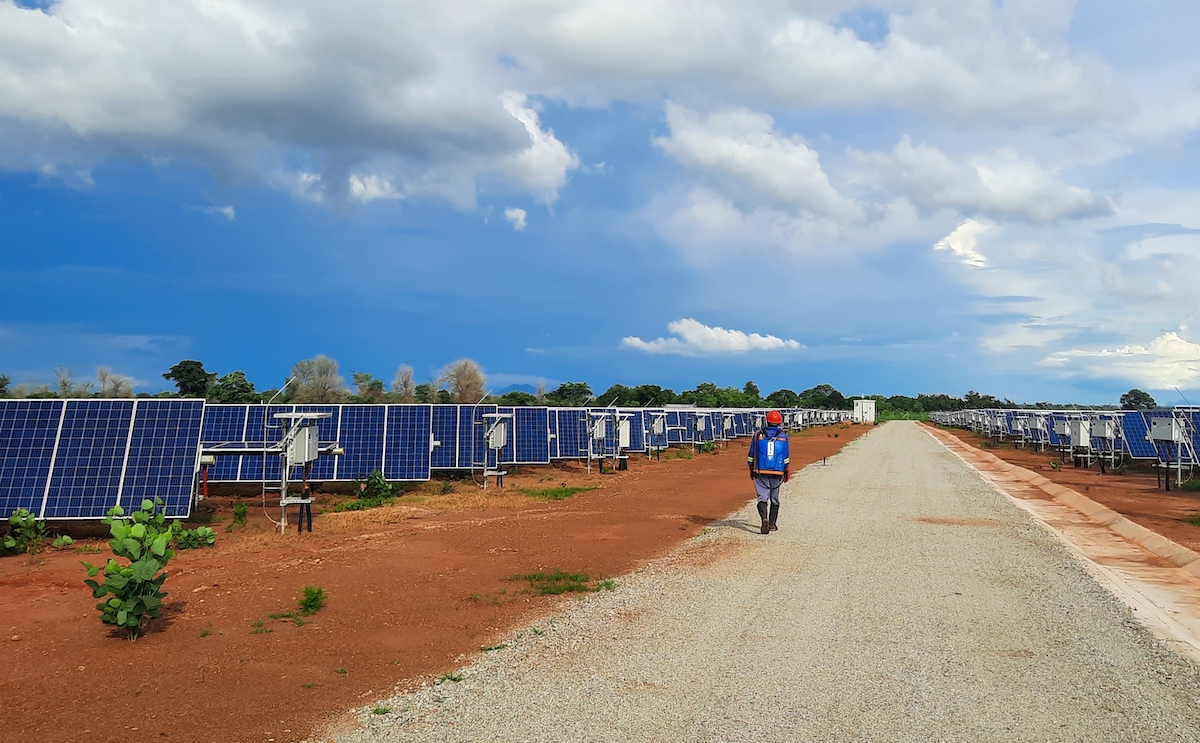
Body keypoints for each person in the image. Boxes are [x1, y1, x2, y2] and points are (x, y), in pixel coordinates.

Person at [747, 409, 790, 534]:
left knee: (762, 497)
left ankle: (764, 519)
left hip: (760, 471)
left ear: (767, 421)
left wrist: (751, 468)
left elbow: (751, 455)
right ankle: (772, 524)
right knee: (775, 498)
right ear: (780, 422)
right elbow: (786, 457)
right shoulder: (783, 436)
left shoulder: (757, 435)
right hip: (777, 473)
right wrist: (786, 470)